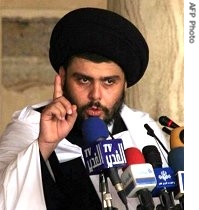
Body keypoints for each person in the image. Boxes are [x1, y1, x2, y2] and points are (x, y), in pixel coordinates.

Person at [0, 7, 170, 210]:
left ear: (125, 84)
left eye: (109, 82)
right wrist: (44, 145)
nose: (95, 95)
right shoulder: (30, 124)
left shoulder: (142, 128)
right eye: (83, 80)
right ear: (62, 78)